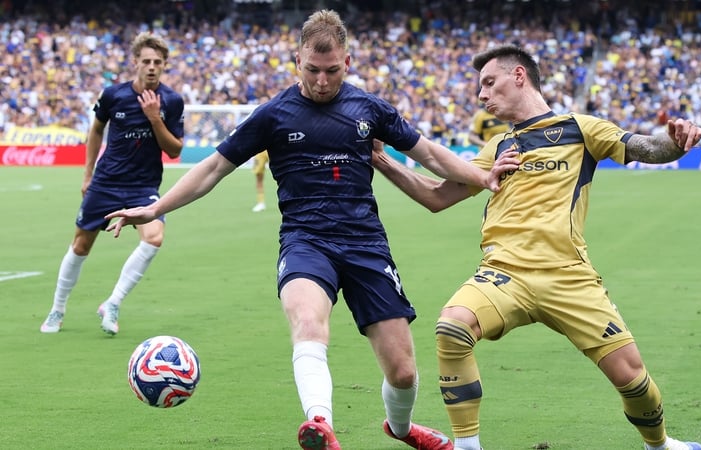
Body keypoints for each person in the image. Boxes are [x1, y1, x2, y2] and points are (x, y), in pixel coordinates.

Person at [104, 10, 511, 450]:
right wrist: (155, 208)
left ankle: (401, 428)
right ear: (297, 61)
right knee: (308, 322)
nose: (321, 81)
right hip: (305, 241)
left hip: (365, 244)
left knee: (403, 372)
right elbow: (212, 169)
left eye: (332, 70)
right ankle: (320, 424)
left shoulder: (369, 109)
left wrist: (481, 175)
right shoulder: (273, 115)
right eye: (312, 70)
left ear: (347, 62)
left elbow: (429, 154)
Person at [371, 44, 701, 450]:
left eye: (489, 83)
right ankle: (467, 447)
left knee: (631, 377)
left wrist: (676, 142)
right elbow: (436, 197)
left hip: (569, 276)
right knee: (453, 326)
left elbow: (648, 148)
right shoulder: (497, 147)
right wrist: (383, 161)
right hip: (503, 275)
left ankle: (661, 445)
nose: (481, 95)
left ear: (519, 76)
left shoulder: (580, 128)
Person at [39, 31, 184, 336]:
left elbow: (174, 150)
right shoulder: (113, 95)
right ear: (135, 62)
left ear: (164, 64)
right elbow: (95, 131)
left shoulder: (172, 101)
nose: (152, 67)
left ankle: (113, 302)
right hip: (106, 183)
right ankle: (57, 309)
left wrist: (155, 119)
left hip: (143, 187)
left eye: (158, 62)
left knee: (154, 238)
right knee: (81, 245)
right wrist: (87, 174)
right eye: (146, 61)